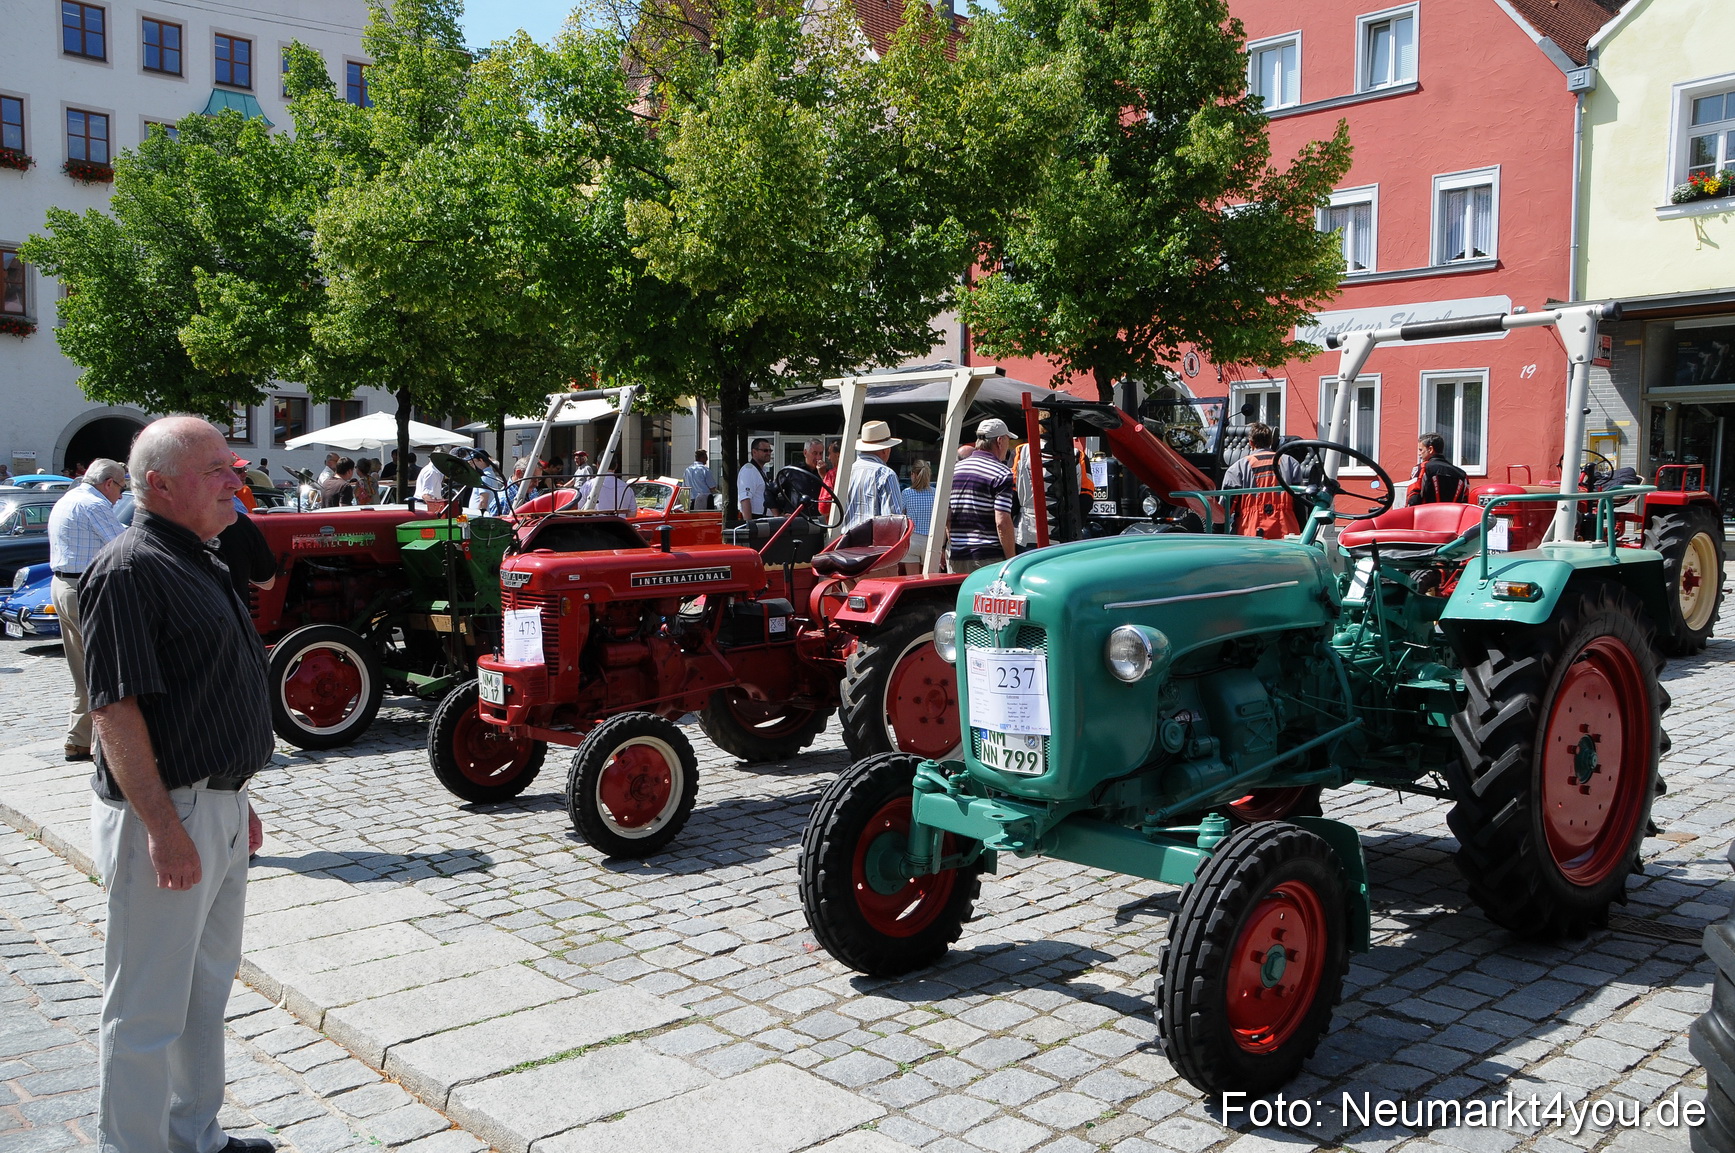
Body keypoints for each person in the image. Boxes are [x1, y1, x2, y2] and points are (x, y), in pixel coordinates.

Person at [81, 416, 272, 1153]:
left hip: (215, 805)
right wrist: (164, 826)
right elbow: (113, 710)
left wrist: (236, 802)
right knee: (145, 1007)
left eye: (233, 466)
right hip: (167, 815)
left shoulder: (202, 556)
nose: (236, 481)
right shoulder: (128, 567)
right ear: (159, 485)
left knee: (204, 992)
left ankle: (195, 1136)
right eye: (217, 469)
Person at [46, 458, 128, 762]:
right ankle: (103, 746)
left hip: (64, 586)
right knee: (104, 667)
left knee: (82, 670)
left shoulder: (68, 498)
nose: (121, 495)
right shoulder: (94, 505)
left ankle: (78, 740)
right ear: (108, 483)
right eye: (121, 487)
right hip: (84, 589)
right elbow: (122, 544)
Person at [948, 418, 1017, 572]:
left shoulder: (954, 470)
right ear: (999, 441)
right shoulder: (1001, 472)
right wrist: (1012, 559)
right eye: (1008, 440)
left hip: (957, 555)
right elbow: (1002, 522)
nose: (1008, 446)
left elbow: (947, 517)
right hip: (987, 558)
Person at [1222, 423, 1307, 538]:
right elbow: (1300, 504)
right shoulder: (1291, 463)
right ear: (1271, 441)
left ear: (1251, 443)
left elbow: (1225, 509)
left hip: (1250, 534)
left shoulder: (1237, 468)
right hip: (1287, 533)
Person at [843, 421, 905, 531]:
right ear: (886, 450)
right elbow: (891, 520)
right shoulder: (885, 474)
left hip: (844, 541)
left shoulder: (846, 471)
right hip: (873, 545)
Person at [1409, 433, 1470, 505]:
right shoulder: (1462, 474)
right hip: (1453, 515)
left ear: (1430, 449)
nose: (1419, 454)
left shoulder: (1423, 468)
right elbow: (1465, 502)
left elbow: (1413, 496)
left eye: (1421, 450)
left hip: (1426, 514)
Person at [778, 438, 826, 517]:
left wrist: (823, 475)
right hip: (796, 520)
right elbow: (771, 490)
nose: (818, 457)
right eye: (815, 453)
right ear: (805, 453)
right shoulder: (792, 471)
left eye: (821, 453)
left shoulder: (825, 472)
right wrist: (778, 514)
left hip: (818, 520)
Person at [900, 460, 936, 562]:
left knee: (912, 577)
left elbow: (901, 515)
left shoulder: (906, 493)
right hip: (931, 539)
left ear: (913, 474)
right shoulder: (935, 493)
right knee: (931, 577)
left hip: (912, 539)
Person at [737, 438, 774, 522]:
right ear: (754, 452)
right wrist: (749, 525)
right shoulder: (749, 470)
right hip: (756, 518)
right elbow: (745, 499)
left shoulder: (762, 470)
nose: (768, 453)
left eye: (770, 450)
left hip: (763, 517)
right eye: (765, 450)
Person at [817, 439, 841, 521]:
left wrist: (826, 477)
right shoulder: (855, 471)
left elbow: (824, 507)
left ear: (838, 455)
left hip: (837, 523)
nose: (829, 458)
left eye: (830, 453)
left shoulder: (832, 474)